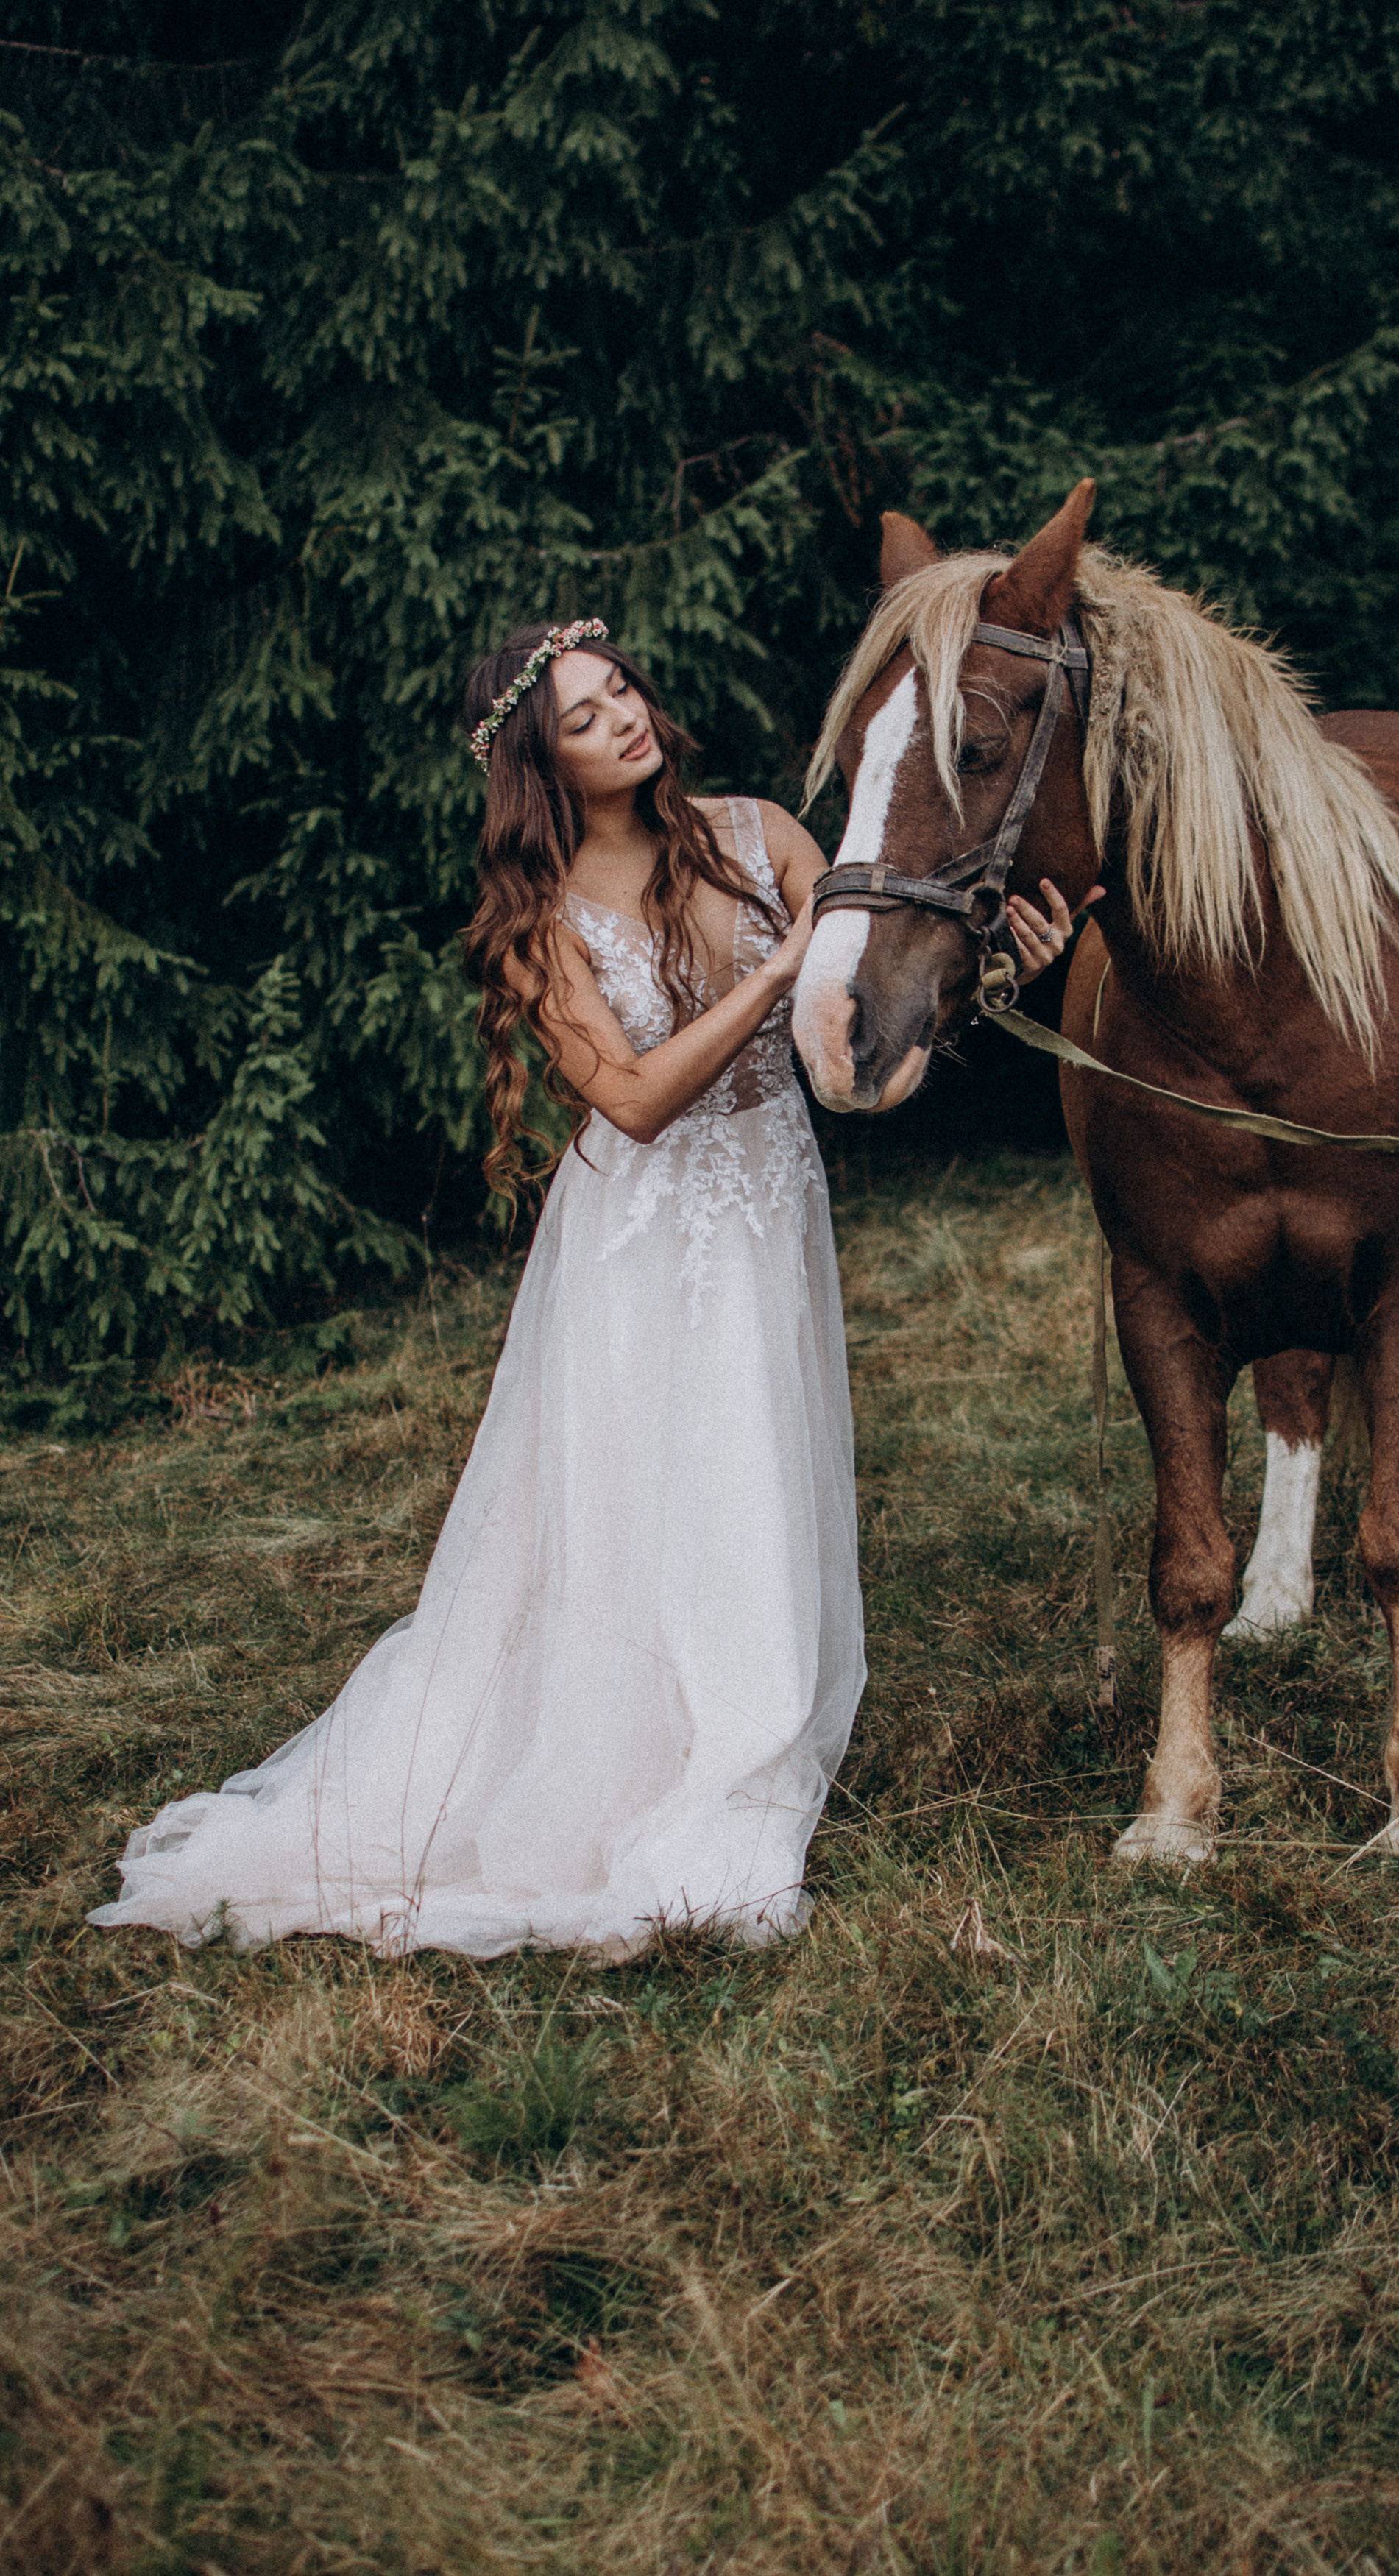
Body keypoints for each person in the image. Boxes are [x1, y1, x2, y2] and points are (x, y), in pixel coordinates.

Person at [90, 619, 1076, 1960]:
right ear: (538, 768)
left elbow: (856, 1069)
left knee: (755, 1477)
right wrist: (778, 972)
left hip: (768, 1218)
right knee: (640, 1504)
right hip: (638, 1248)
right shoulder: (538, 919)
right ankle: (632, 1758)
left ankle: (748, 1727)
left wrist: (1006, 967)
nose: (621, 719)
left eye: (622, 691)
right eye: (581, 715)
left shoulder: (761, 832)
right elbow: (632, 1099)